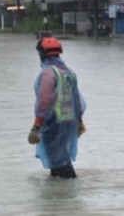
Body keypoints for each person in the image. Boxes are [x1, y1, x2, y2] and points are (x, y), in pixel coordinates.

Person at [29, 35, 86, 179]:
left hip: (54, 124)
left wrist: (36, 127)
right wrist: (79, 121)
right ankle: (57, 197)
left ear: (41, 54)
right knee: (58, 161)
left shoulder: (48, 74)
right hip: (68, 122)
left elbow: (44, 102)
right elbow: (77, 100)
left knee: (61, 164)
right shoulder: (68, 72)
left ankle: (70, 195)